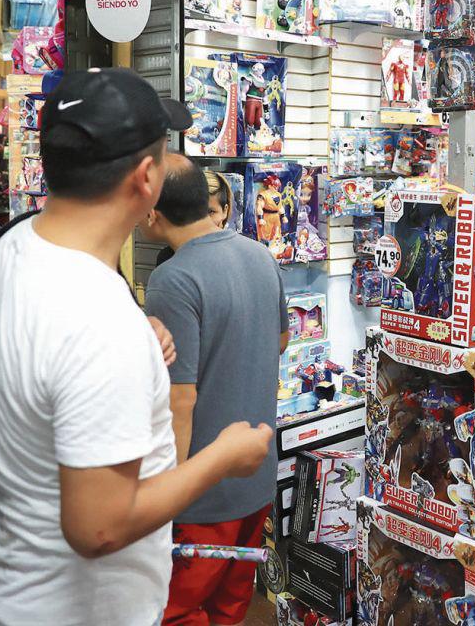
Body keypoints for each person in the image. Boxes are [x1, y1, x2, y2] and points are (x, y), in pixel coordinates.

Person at [0, 68, 273, 624]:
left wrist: (138, 337)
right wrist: (223, 458)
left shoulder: (14, 246)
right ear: (145, 179)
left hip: (18, 589)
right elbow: (99, 528)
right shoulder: (98, 318)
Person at [140, 154, 287, 626]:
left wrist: (169, 495)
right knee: (231, 603)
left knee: (177, 609)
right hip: (257, 467)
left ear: (152, 214)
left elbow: (179, 402)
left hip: (204, 487)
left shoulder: (172, 278)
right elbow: (281, 340)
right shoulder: (258, 254)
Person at [155, 169, 232, 266]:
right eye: (195, 210)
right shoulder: (168, 258)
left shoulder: (238, 255)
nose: (202, 220)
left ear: (225, 211)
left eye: (211, 212)